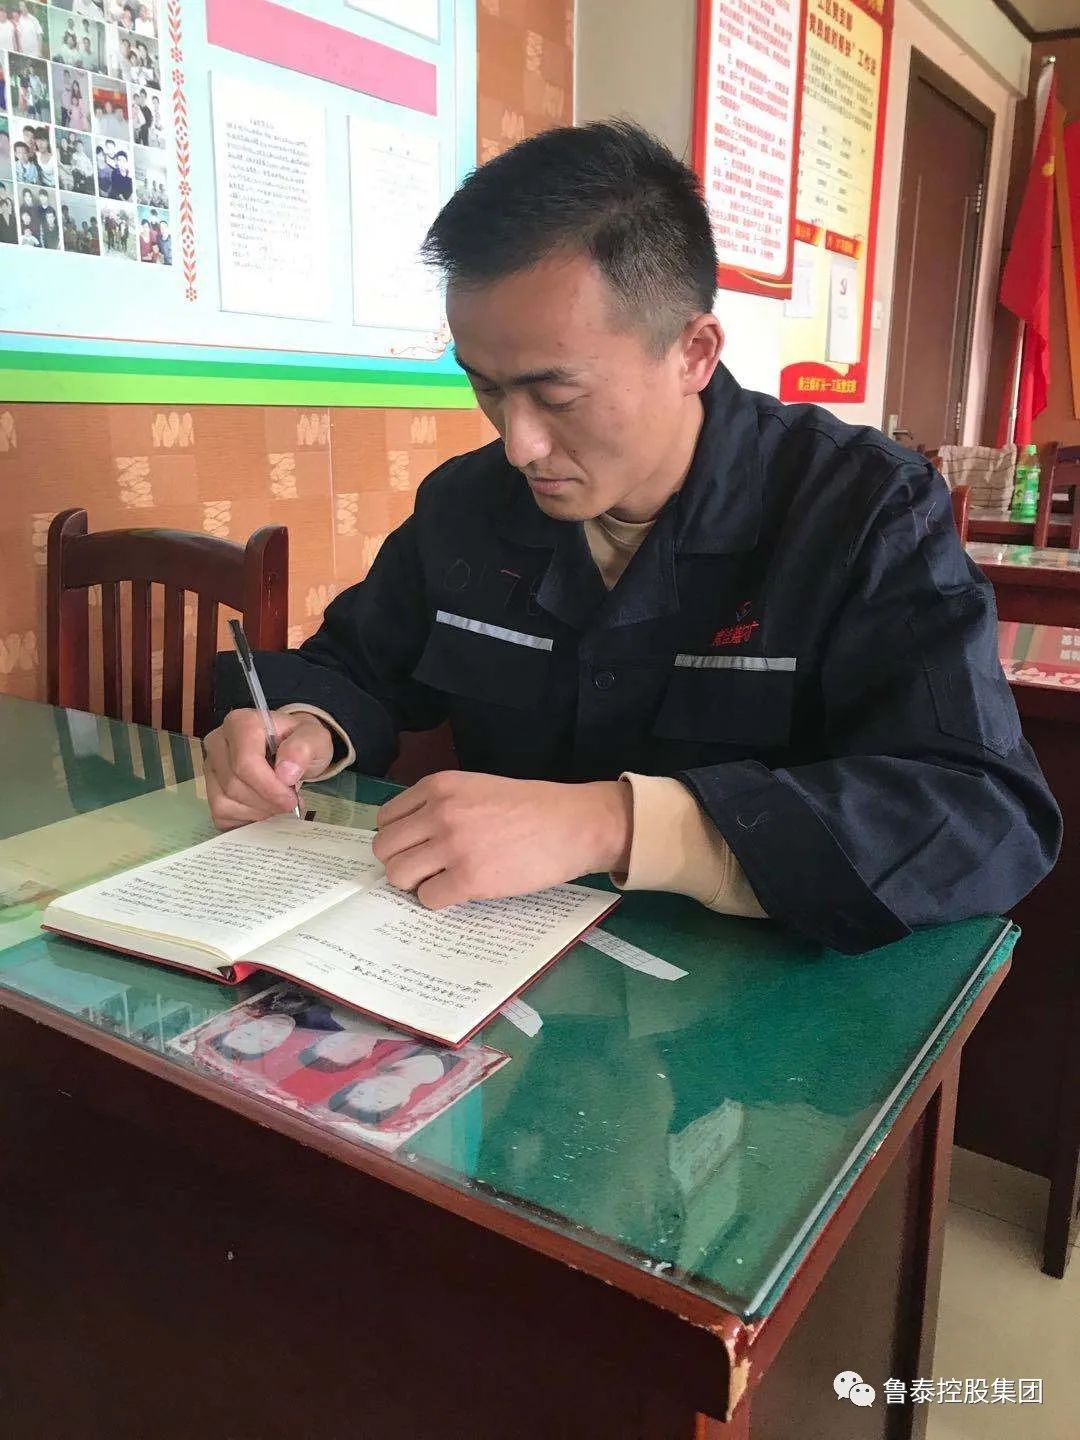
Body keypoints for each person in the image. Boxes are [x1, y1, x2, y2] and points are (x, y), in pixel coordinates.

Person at [208, 121, 1062, 956]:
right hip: (481, 964)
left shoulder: (863, 508)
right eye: (486, 388)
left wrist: (613, 823)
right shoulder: (467, 503)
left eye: (557, 395)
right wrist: (295, 727)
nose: (519, 444)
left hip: (755, 1000)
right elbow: (357, 664)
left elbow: (982, 811)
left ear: (693, 352)